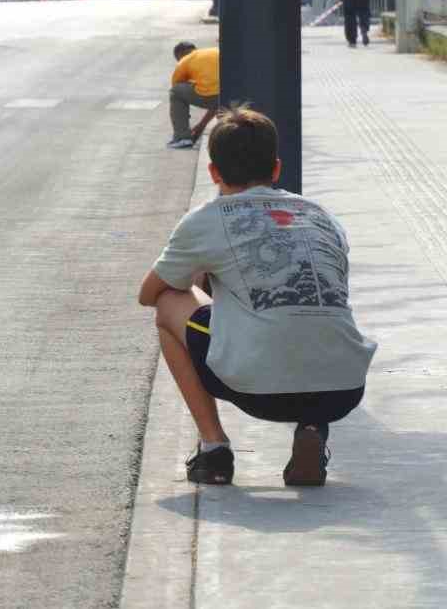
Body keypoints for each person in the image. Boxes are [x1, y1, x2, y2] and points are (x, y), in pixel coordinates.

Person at [138, 107, 376, 486]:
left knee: (170, 302)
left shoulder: (207, 219)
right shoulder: (321, 215)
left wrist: (203, 280)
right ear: (277, 168)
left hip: (257, 390)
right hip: (344, 388)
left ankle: (214, 451)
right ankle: (312, 429)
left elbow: (149, 293)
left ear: (214, 172)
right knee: (307, 318)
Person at [168, 40, 219, 149]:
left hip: (214, 96)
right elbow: (217, 101)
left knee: (176, 92)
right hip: (231, 93)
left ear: (179, 55)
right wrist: (202, 125)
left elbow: (176, 86)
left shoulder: (184, 61)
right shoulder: (214, 51)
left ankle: (182, 138)